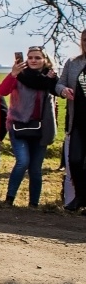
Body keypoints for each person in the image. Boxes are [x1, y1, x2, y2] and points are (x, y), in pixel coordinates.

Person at [0, 46, 58, 207]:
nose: (33, 60)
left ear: (45, 60)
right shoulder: (20, 75)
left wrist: (53, 80)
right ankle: (9, 199)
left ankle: (33, 204)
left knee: (36, 168)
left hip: (41, 128)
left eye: (37, 58)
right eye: (30, 57)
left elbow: (58, 92)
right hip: (18, 125)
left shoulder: (49, 78)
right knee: (23, 161)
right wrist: (12, 74)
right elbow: (3, 91)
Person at [56, 28, 86, 212]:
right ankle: (80, 196)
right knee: (74, 161)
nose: (85, 43)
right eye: (84, 39)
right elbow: (60, 83)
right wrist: (63, 91)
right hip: (77, 121)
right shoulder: (73, 63)